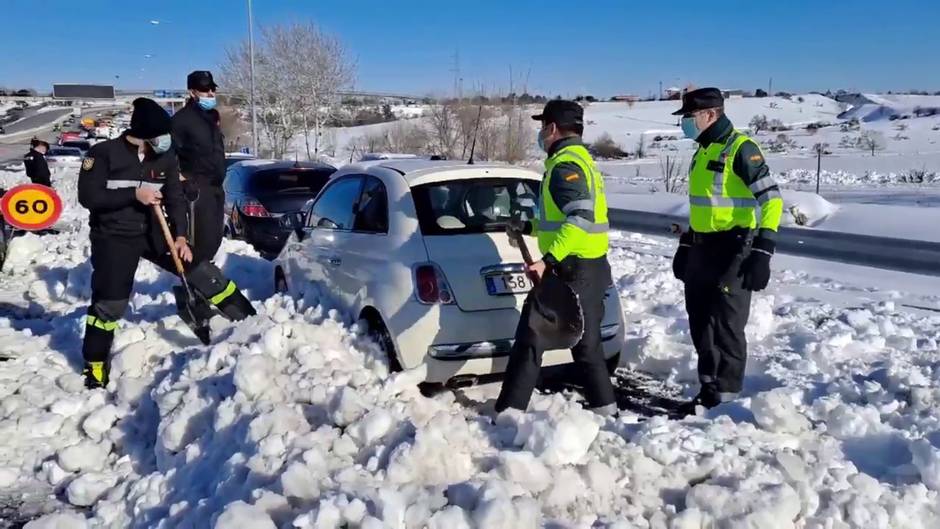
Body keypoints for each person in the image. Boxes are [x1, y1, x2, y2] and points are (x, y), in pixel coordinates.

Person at [495, 100, 617, 416]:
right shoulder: (583, 160)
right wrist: (528, 226)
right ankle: (607, 411)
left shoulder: (565, 166)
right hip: (592, 267)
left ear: (551, 128)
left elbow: (579, 219)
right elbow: (564, 221)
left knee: (530, 340)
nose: (540, 133)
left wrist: (546, 260)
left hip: (570, 269)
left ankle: (508, 415)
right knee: (588, 347)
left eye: (542, 126)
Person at [670, 87, 783, 412]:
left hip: (734, 249)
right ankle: (709, 391)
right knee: (701, 322)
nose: (685, 124)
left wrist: (764, 250)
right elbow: (705, 206)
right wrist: (688, 244)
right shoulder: (702, 151)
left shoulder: (742, 149)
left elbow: (771, 200)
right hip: (703, 249)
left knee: (726, 326)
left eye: (689, 118)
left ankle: (727, 402)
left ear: (710, 114)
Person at [78, 98, 193, 389]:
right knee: (110, 303)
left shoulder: (164, 157)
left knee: (200, 270)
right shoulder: (103, 154)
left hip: (155, 232)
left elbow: (176, 198)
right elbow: (89, 198)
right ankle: (94, 364)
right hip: (113, 236)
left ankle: (242, 322)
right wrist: (133, 195)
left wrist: (181, 236)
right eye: (161, 135)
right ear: (144, 132)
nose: (166, 141)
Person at [171, 70, 255, 324]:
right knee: (201, 245)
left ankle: (203, 287)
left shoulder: (212, 116)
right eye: (205, 90)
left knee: (214, 242)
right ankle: (196, 294)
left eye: (212, 90)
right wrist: (180, 178)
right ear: (192, 92)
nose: (210, 94)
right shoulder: (181, 120)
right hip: (197, 190)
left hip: (217, 187)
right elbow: (167, 154)